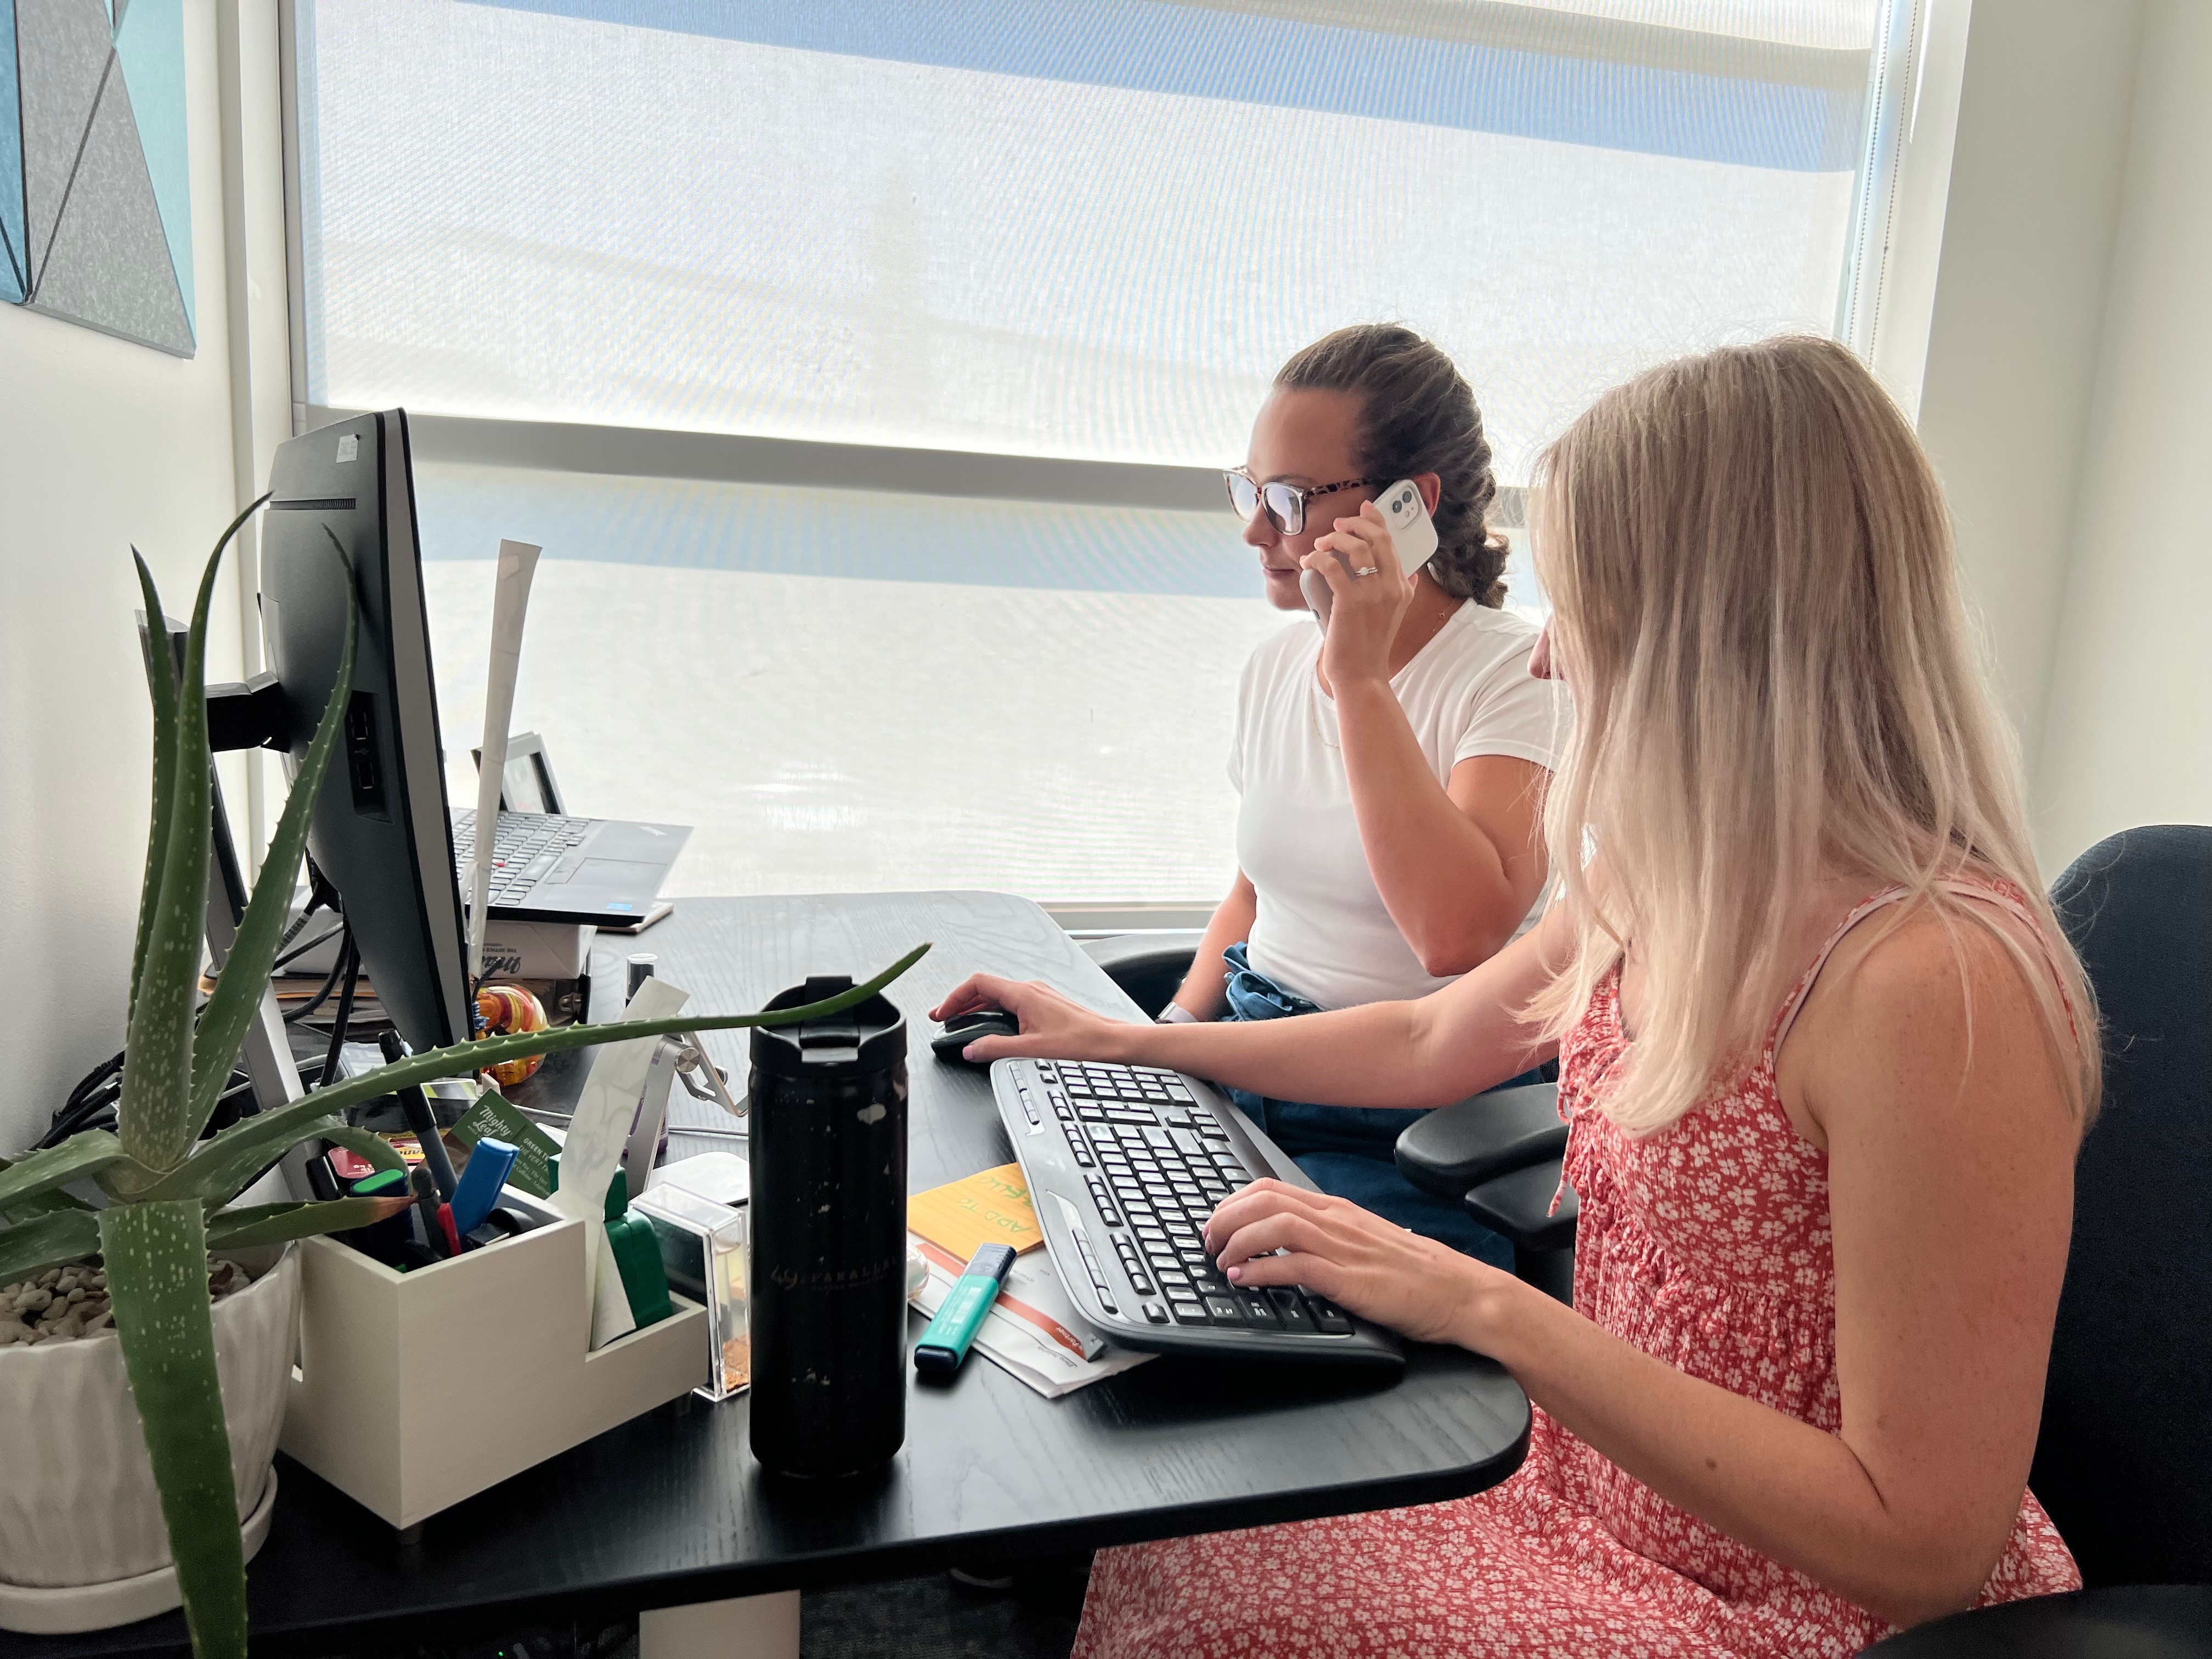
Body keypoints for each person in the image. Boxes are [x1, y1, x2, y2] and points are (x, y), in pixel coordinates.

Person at [933, 335, 2100, 1657]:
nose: (1547, 660)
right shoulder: (1673, 874)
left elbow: (1924, 1547)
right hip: (1600, 1485)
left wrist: (1484, 1304)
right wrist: (1120, 1040)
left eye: (1583, 608)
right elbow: (1432, 1035)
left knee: (1237, 1577)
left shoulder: (1935, 984)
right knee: (1193, 1513)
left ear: (1713, 636)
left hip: (1788, 1599)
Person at [1176, 324, 1567, 1264]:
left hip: (1407, 1126)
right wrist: (1172, 1032)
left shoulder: (1518, 675)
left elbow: (1456, 935)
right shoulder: (1274, 667)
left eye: (1288, 499)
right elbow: (1256, 892)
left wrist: (1359, 679)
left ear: (1407, 507)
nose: (1255, 530)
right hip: (1249, 1057)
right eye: (1250, 491)